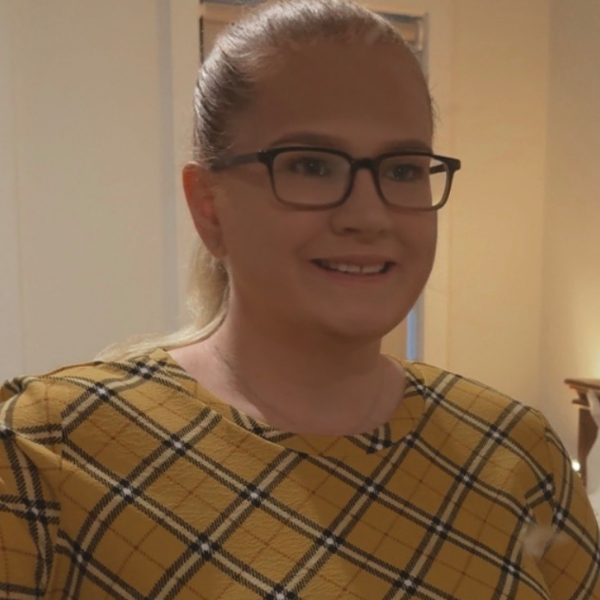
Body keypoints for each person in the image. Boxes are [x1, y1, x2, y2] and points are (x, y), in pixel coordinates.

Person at [1, 0, 598, 598]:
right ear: (208, 205)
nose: (369, 215)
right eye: (311, 165)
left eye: (402, 169)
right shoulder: (47, 449)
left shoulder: (517, 449)